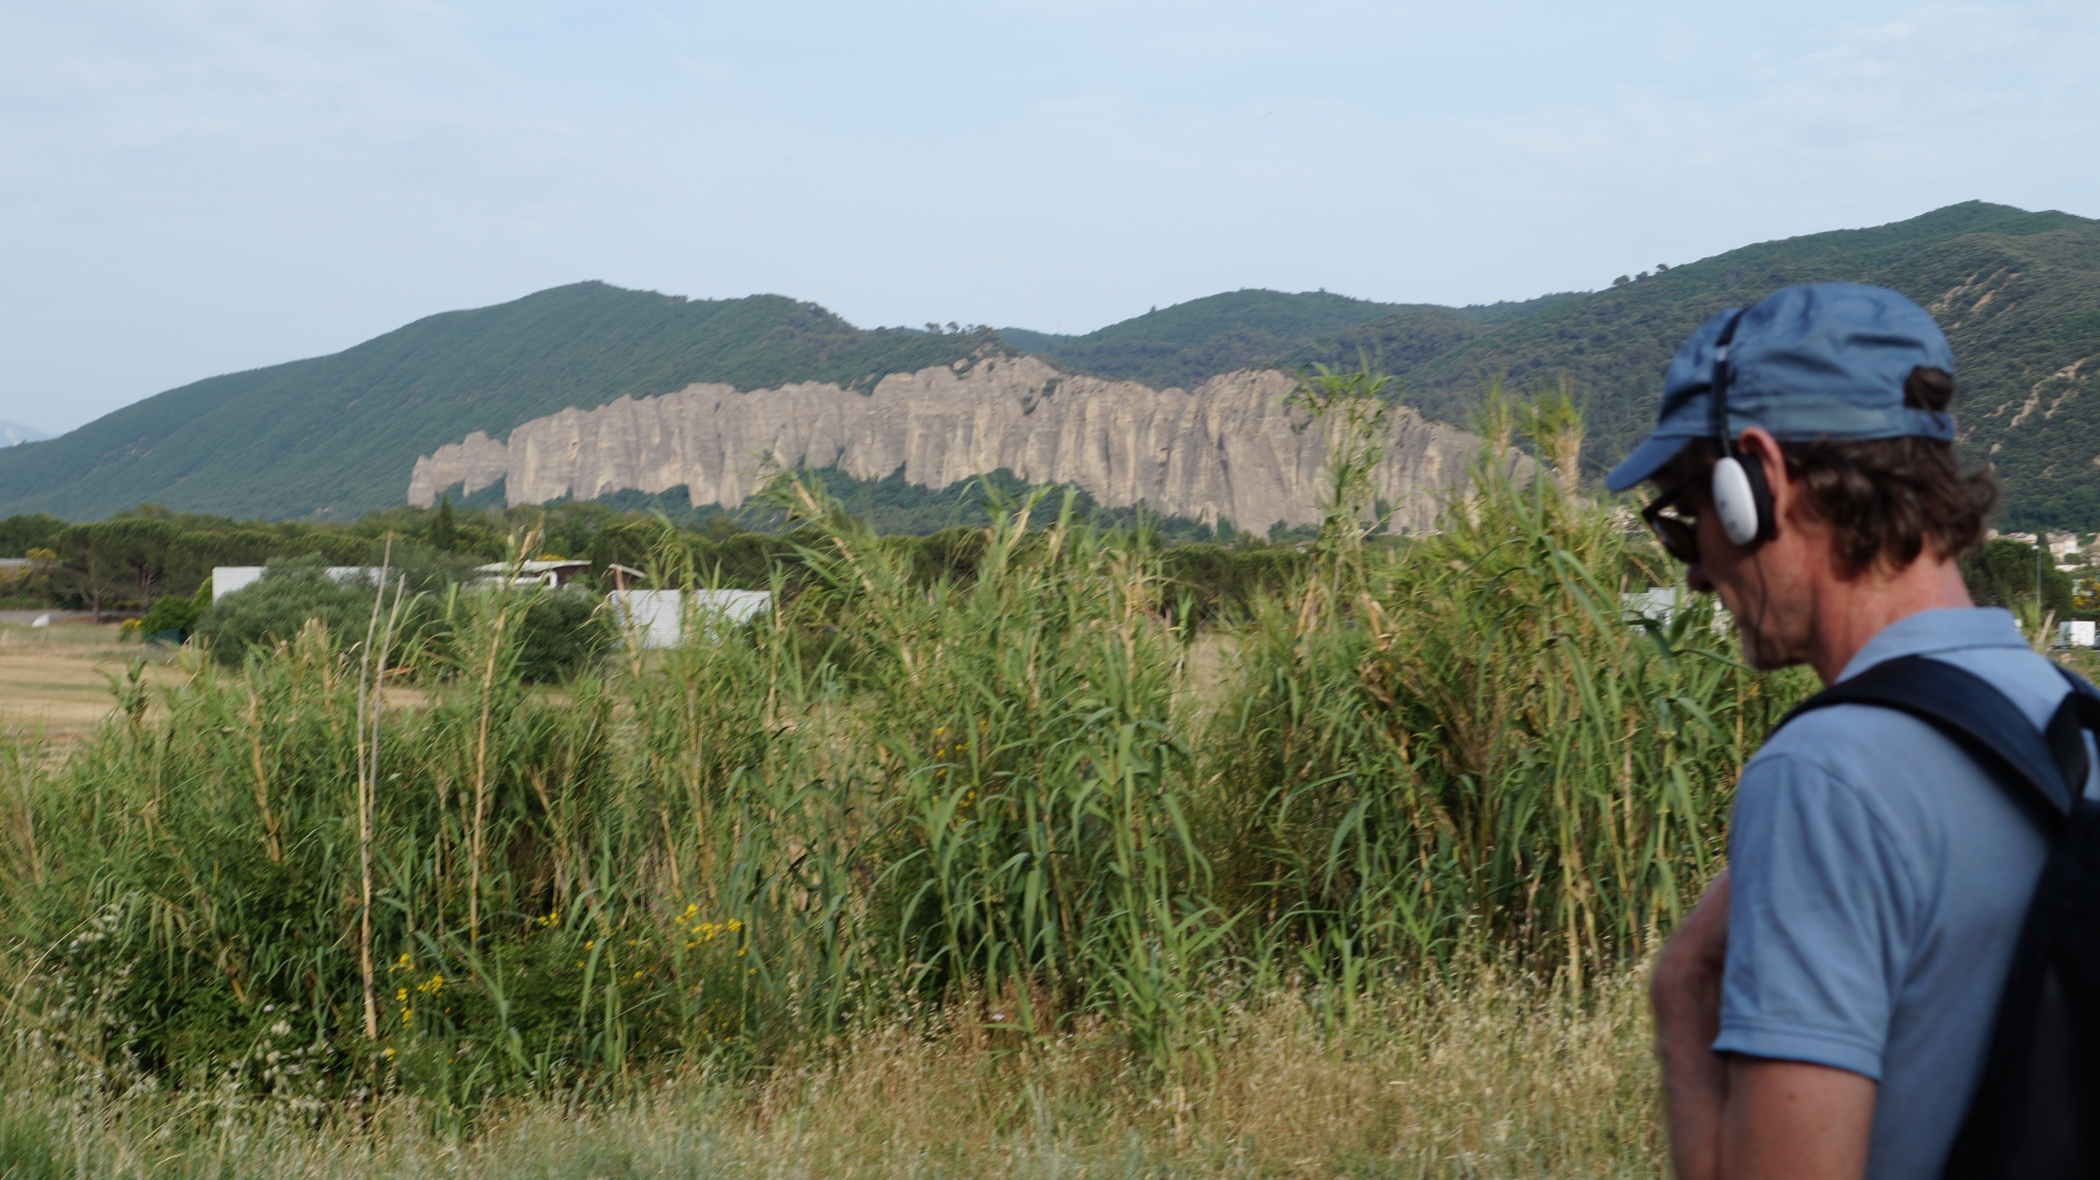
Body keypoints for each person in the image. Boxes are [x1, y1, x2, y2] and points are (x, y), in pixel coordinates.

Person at [1615, 283, 2093, 1180]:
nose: (1693, 573)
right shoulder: (2075, 721)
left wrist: (1680, 992)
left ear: (1757, 477)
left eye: (1685, 521)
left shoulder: (1826, 774)